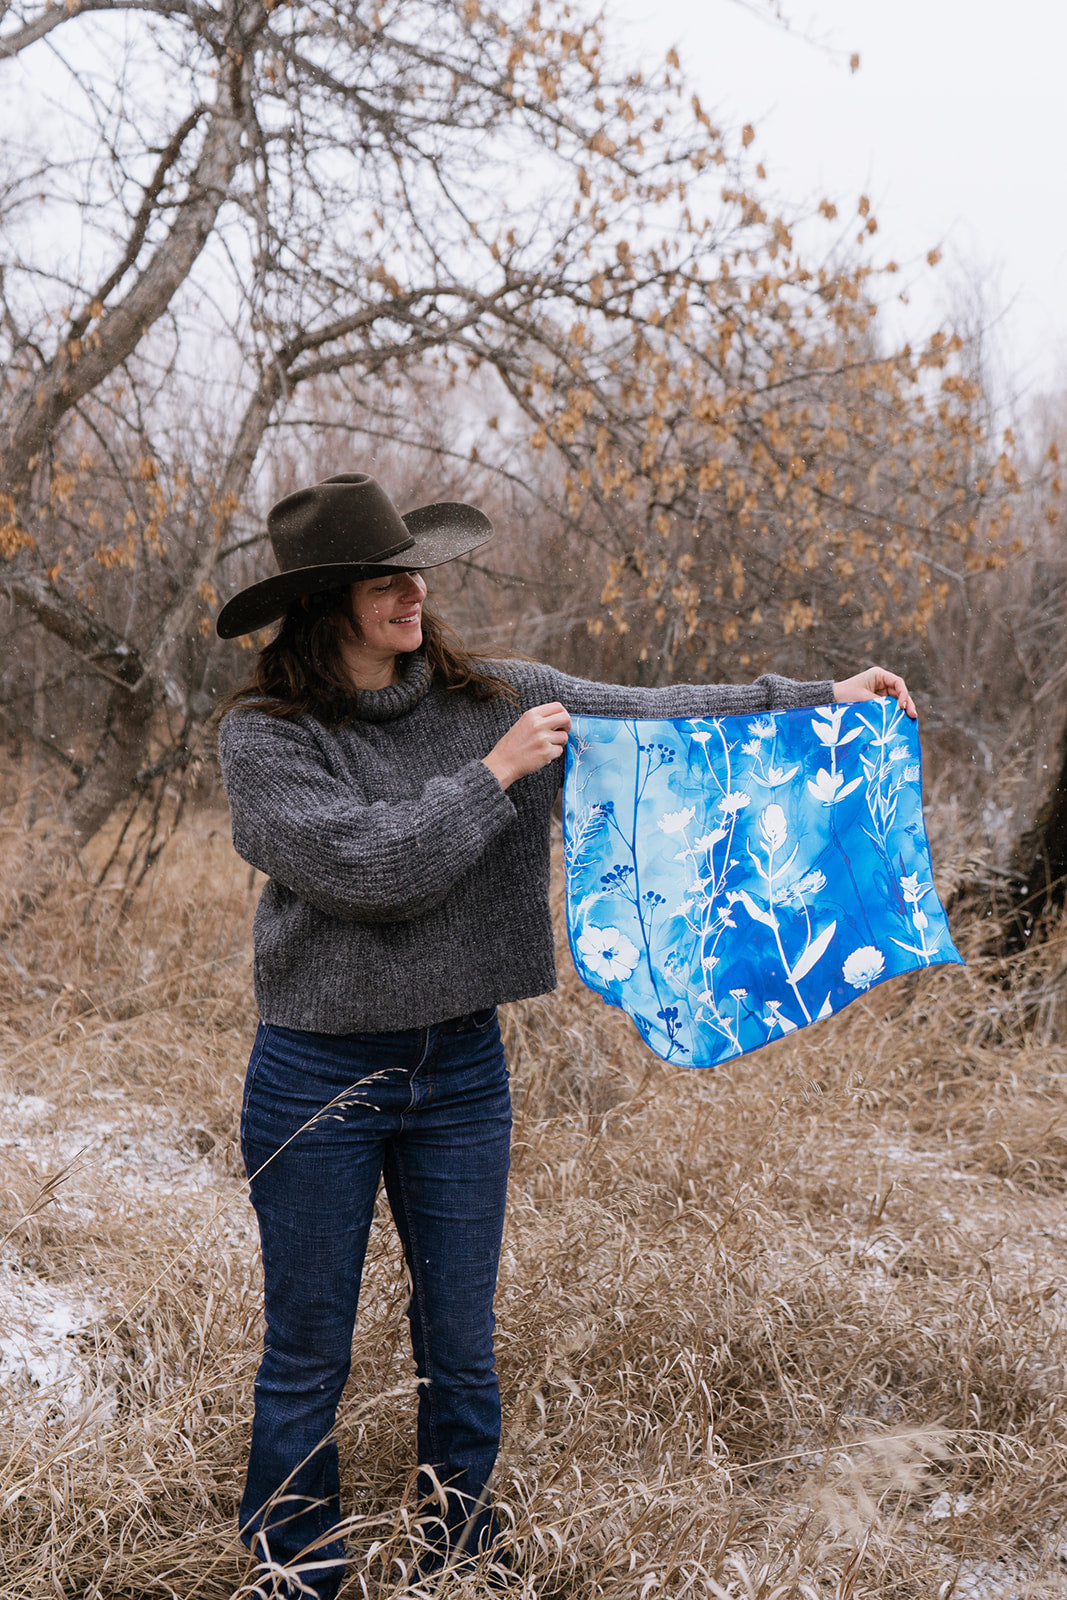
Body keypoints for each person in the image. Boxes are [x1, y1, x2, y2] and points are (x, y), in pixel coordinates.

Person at [215, 472, 916, 1598]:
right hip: (317, 1072)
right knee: (308, 1349)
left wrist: (822, 696)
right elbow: (370, 867)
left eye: (414, 567)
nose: (414, 589)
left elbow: (658, 711)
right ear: (324, 601)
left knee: (463, 1342)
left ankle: (457, 1552)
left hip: (459, 1070)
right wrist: (493, 776)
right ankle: (295, 1570)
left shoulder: (491, 693)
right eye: (383, 576)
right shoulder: (266, 739)